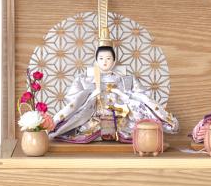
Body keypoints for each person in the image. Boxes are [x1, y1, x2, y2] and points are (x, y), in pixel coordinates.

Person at [50, 33, 178, 143]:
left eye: (108, 58)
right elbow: (72, 99)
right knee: (83, 129)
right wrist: (91, 95)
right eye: (101, 58)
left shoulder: (126, 79)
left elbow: (142, 96)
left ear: (114, 60)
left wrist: (125, 95)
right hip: (94, 120)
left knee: (138, 128)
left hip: (121, 120)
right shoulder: (85, 79)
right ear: (96, 60)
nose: (105, 61)